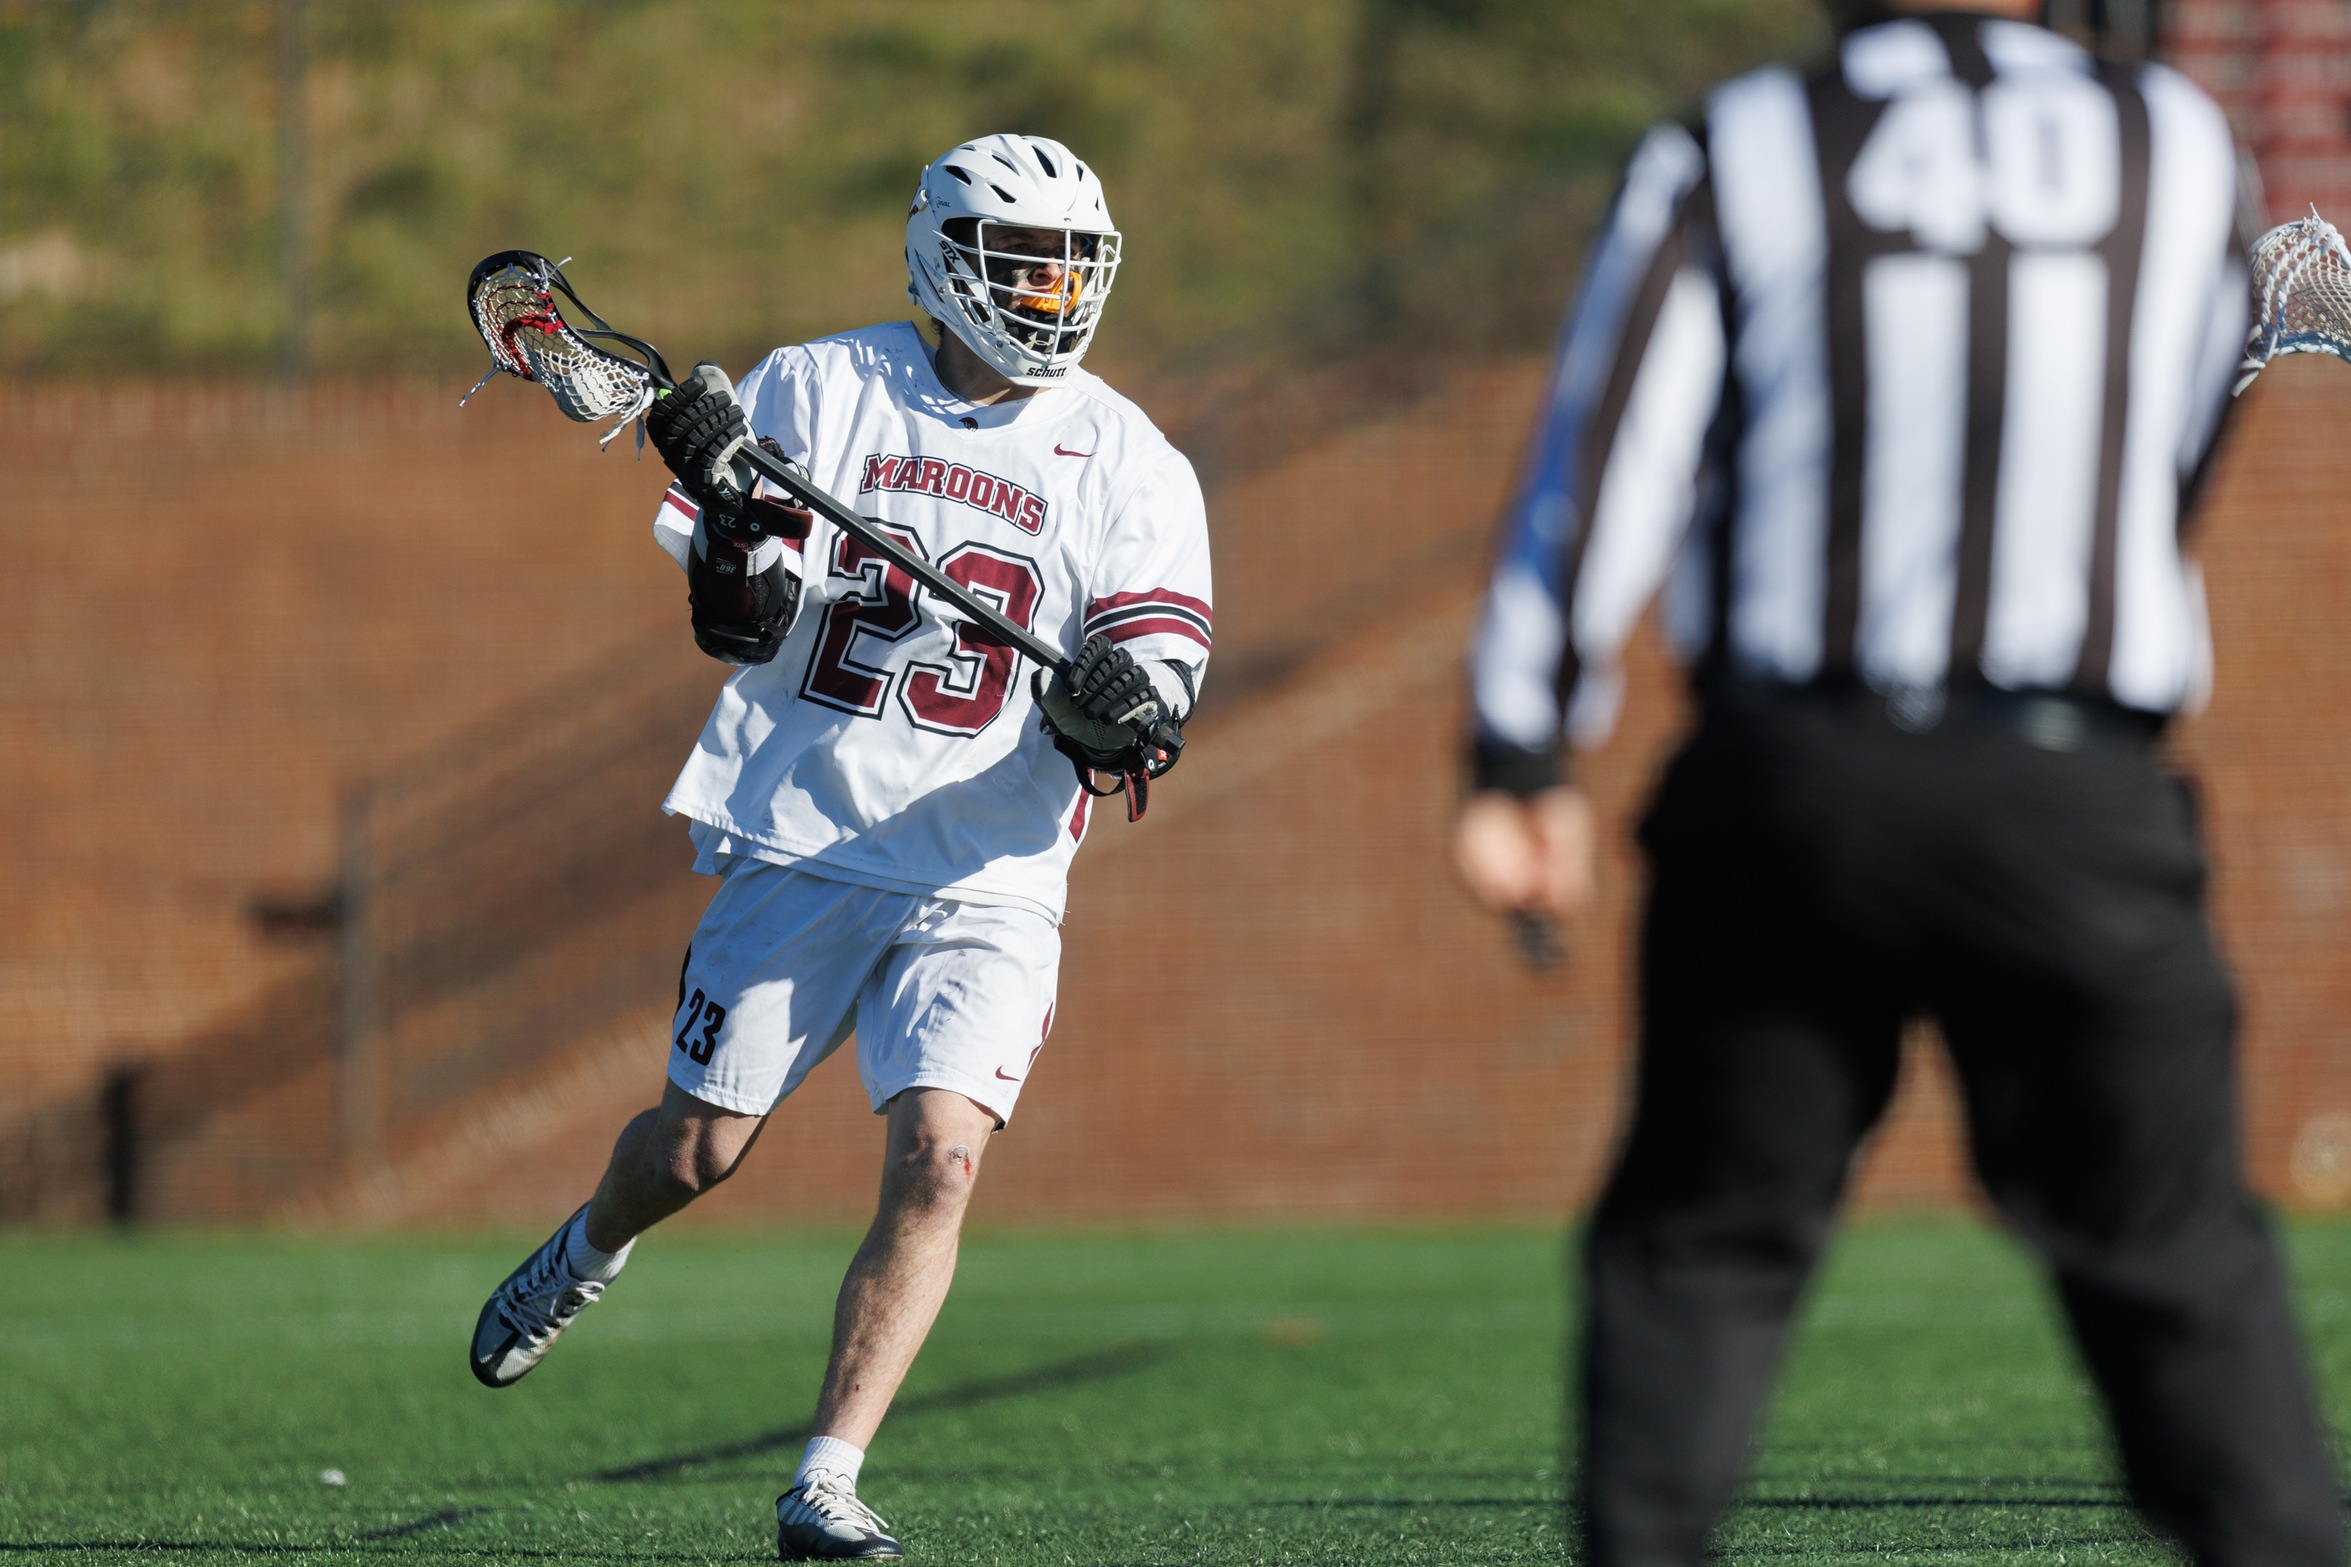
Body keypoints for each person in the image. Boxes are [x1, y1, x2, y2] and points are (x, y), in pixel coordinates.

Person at [1455, 4, 2344, 1565]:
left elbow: (1606, 462)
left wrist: (1522, 749)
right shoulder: (2175, 144)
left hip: (1795, 777)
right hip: (2073, 781)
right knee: (2178, 1262)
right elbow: (2185, 424)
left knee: (1700, 1253)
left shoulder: (1742, 141)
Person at [466, 133, 1212, 1563]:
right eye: (1021, 262)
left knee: (940, 1160)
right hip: (808, 836)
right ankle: (585, 1251)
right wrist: (736, 510)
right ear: (943, 258)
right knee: (695, 1151)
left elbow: (1155, 664)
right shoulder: (818, 386)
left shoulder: (1127, 454)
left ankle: (827, 1477)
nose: (1051, 293)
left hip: (990, 867)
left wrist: (1126, 701)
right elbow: (736, 622)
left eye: (1072, 266)